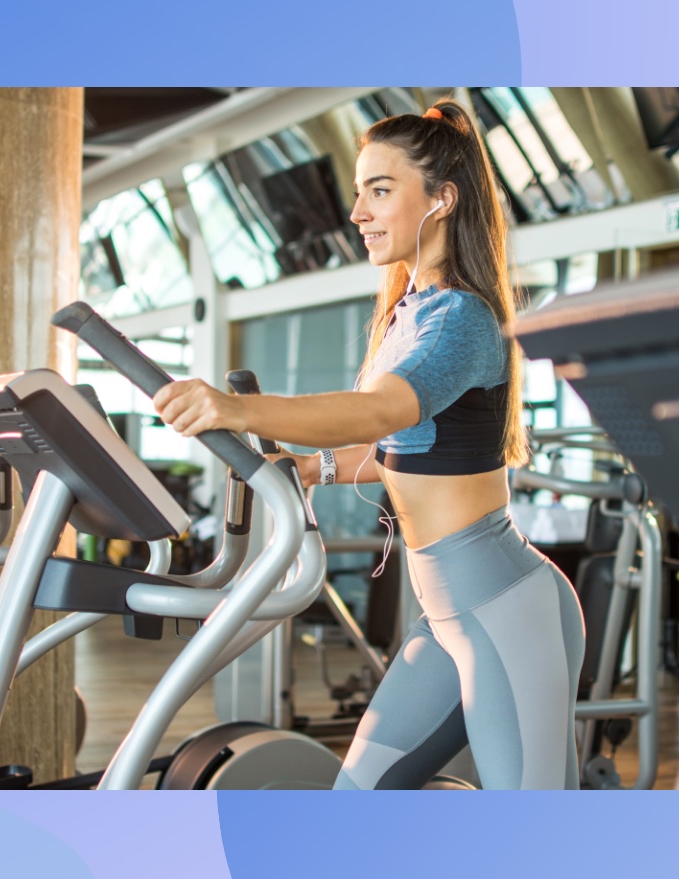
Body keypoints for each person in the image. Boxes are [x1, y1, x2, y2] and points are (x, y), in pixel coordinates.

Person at [152, 98, 585, 790]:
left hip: (505, 610)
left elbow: (377, 410)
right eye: (359, 192)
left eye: (380, 191)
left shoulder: (459, 319)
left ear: (442, 199)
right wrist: (311, 466)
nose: (357, 212)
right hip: (447, 616)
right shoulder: (408, 314)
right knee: (357, 799)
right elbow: (405, 445)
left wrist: (233, 406)